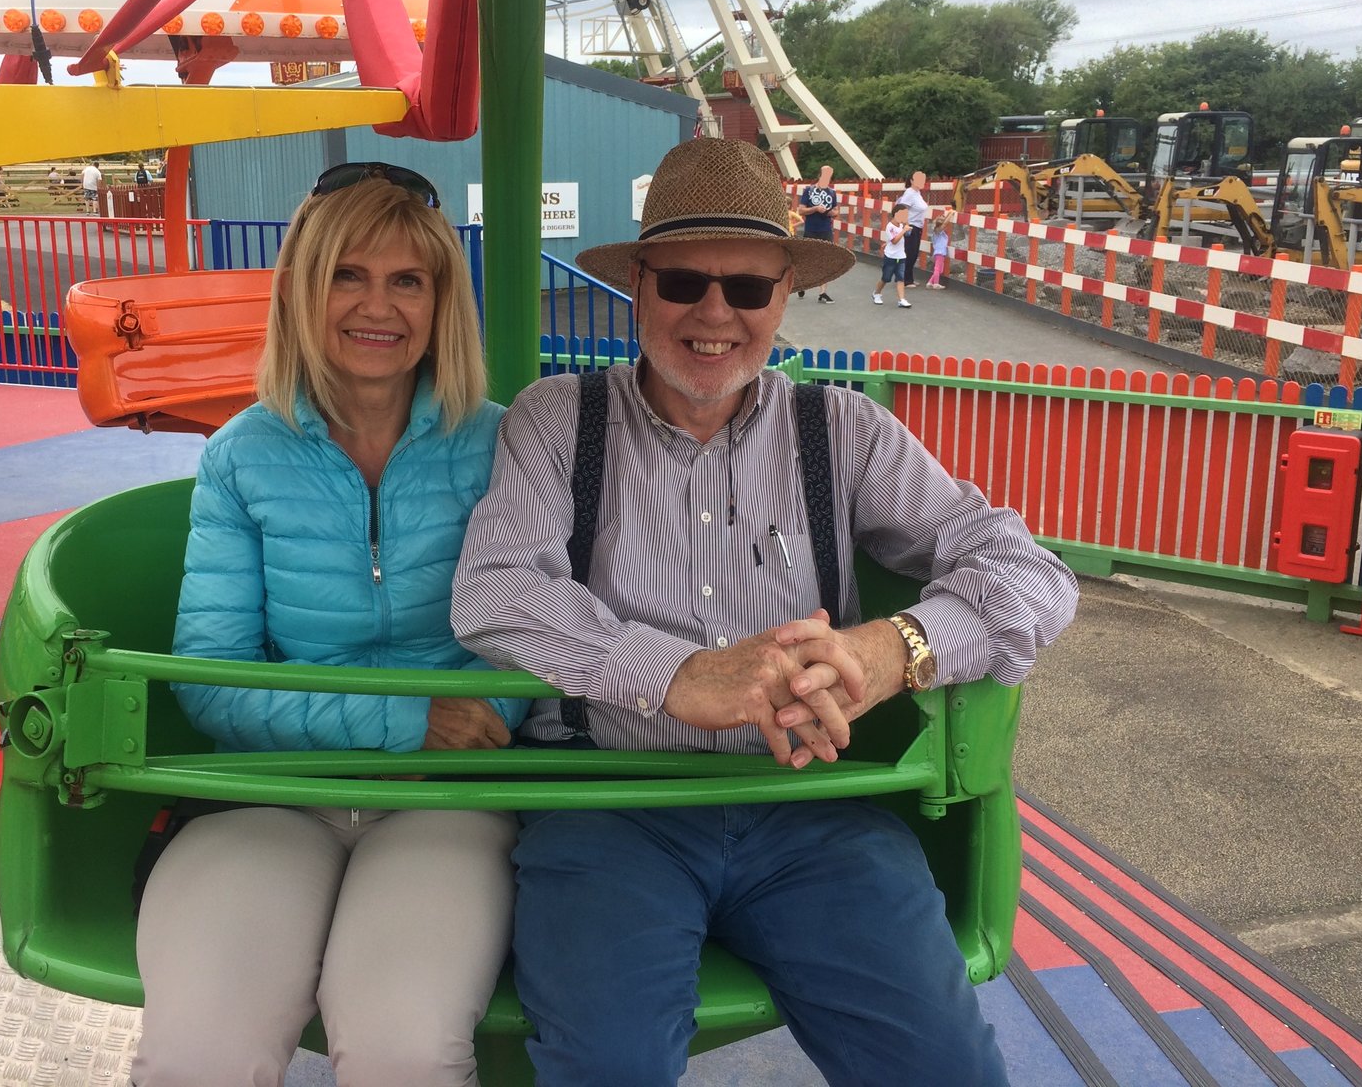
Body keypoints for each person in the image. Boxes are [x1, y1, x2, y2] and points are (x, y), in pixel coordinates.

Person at [452, 137, 1078, 1087]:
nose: (714, 314)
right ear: (640, 285)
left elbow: (1031, 573)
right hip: (614, 800)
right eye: (683, 283)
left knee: (943, 1067)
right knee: (606, 1068)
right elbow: (496, 591)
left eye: (747, 290)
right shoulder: (557, 417)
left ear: (784, 295)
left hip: (811, 809)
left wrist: (894, 647)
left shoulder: (844, 430)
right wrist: (674, 675)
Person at [131, 162, 527, 1087]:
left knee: (404, 1052)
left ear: (440, 303)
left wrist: (454, 730)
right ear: (304, 292)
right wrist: (404, 720)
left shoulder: (504, 443)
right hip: (277, 789)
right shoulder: (243, 458)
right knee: (198, 1058)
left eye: (406, 280)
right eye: (347, 274)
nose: (375, 305)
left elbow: (541, 635)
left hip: (447, 796)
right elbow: (213, 678)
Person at [794, 163, 838, 303]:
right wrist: (815, 209)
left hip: (826, 229)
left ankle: (823, 292)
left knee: (825, 260)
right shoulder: (809, 190)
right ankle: (802, 284)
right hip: (811, 229)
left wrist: (831, 212)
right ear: (820, 175)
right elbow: (801, 210)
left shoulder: (832, 193)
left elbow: (836, 211)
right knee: (808, 259)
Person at [895, 169, 930, 287]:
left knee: (913, 253)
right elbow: (903, 208)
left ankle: (908, 277)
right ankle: (904, 279)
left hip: (918, 226)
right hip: (911, 226)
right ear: (911, 180)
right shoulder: (909, 193)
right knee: (909, 253)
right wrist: (906, 225)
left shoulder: (917, 193)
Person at [874, 203, 912, 307]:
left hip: (901, 256)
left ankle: (901, 299)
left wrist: (906, 226)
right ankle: (877, 293)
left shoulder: (901, 225)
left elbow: (908, 235)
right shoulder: (889, 226)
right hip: (890, 256)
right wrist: (903, 230)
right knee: (886, 278)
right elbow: (894, 240)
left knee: (901, 278)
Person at [927, 209, 953, 289]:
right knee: (938, 269)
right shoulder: (938, 230)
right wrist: (951, 213)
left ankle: (930, 282)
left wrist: (949, 213)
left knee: (939, 269)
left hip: (939, 252)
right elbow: (945, 223)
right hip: (940, 252)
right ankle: (936, 283)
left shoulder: (937, 230)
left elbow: (944, 223)